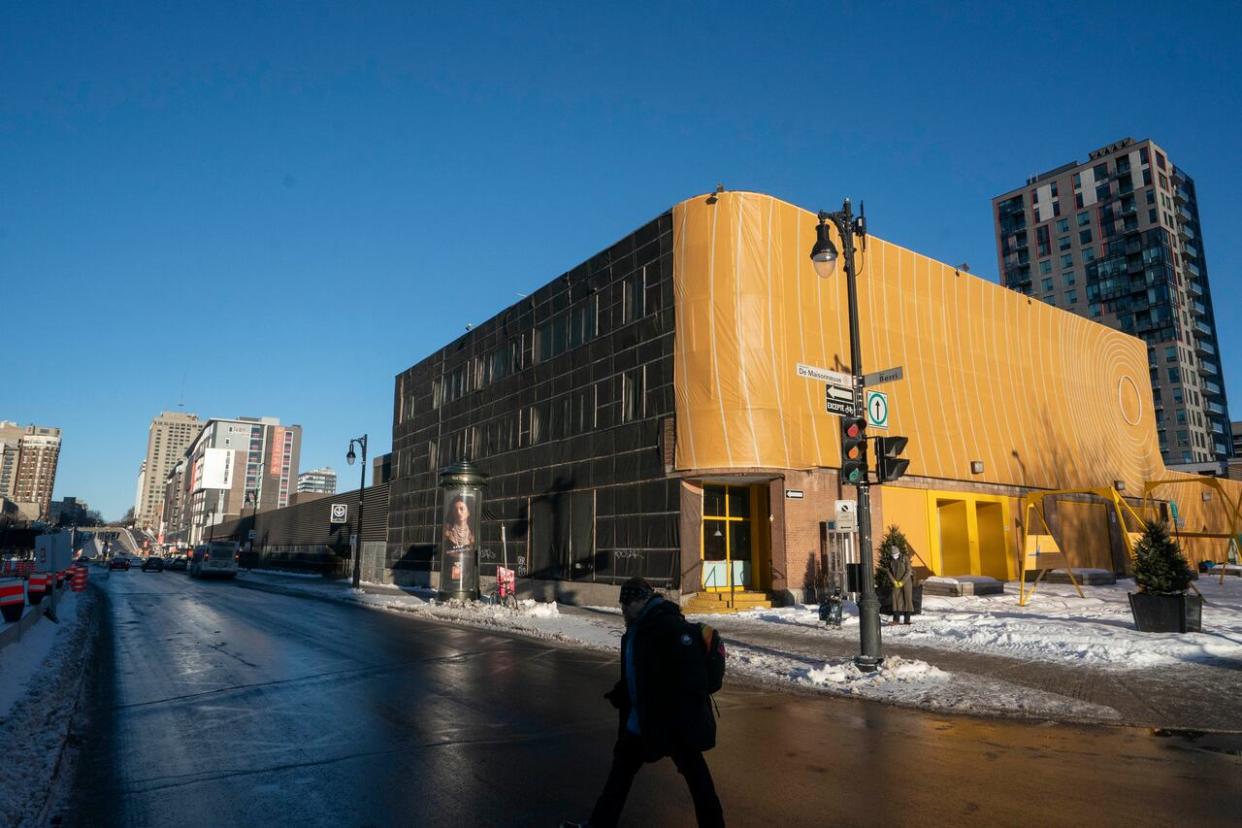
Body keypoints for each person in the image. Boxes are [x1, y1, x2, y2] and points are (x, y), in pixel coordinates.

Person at [564, 577, 724, 828]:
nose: (623, 611)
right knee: (620, 776)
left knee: (699, 783)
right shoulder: (635, 632)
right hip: (642, 722)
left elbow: (686, 677)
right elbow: (640, 672)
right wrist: (622, 692)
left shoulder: (666, 627)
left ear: (641, 600)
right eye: (621, 607)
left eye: (626, 605)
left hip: (674, 724)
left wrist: (676, 708)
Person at [885, 546, 915, 624]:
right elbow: (888, 572)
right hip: (896, 582)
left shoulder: (904, 558)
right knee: (895, 599)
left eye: (895, 554)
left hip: (906, 581)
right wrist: (894, 581)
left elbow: (908, 571)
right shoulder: (890, 561)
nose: (894, 555)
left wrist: (902, 581)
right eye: (893, 554)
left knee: (907, 599)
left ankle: (907, 619)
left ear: (898, 553)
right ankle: (896, 619)